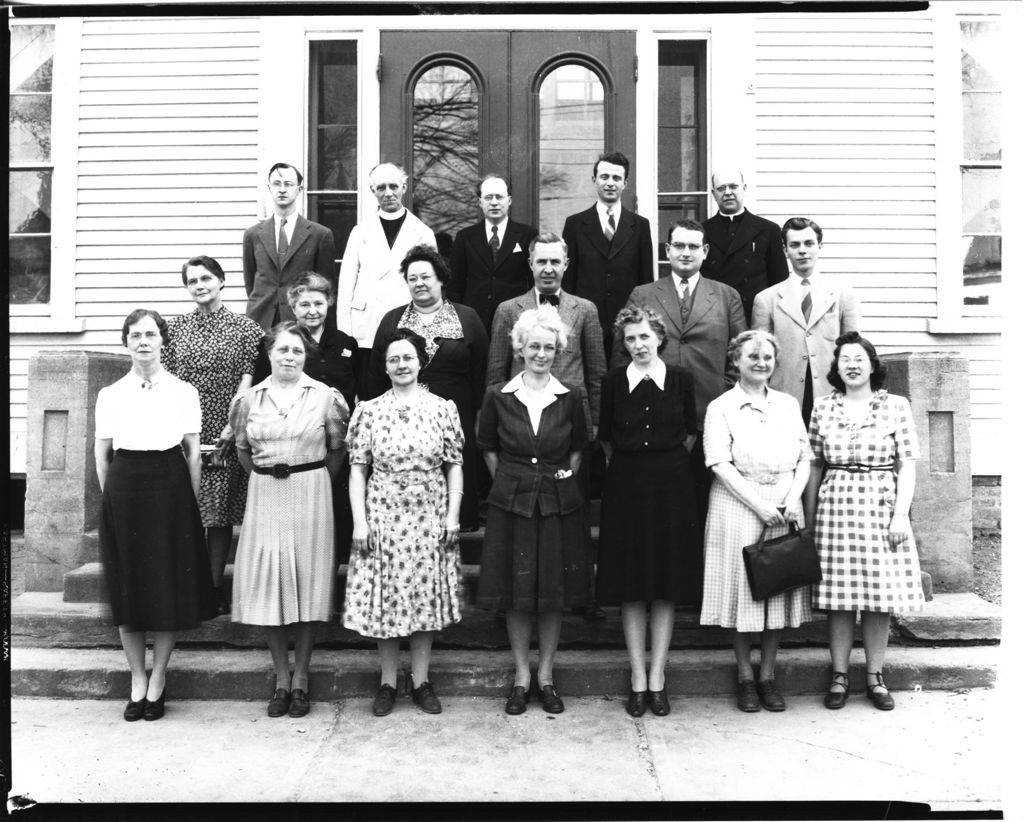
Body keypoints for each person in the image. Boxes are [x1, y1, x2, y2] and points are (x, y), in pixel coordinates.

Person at [94, 309, 219, 722]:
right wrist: (112, 501)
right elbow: (102, 455)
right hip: (126, 486)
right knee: (129, 586)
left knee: (166, 586)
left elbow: (192, 453)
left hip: (171, 488)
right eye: (135, 335)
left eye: (150, 334)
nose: (143, 341)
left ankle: (159, 678)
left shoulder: (184, 391)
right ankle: (136, 679)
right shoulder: (110, 394)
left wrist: (189, 504)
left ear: (163, 340)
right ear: (126, 342)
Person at [228, 322, 350, 719]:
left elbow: (336, 450)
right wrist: (269, 477)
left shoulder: (326, 398)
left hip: (312, 493)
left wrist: (311, 480)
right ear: (269, 353)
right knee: (270, 582)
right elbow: (244, 452)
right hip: (266, 494)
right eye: (282, 350)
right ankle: (280, 677)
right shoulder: (249, 400)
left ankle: (302, 676)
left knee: (308, 581)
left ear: (305, 355)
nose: (289, 357)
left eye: (297, 351)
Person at [477, 305, 592, 715]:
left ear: (558, 351)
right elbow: (489, 448)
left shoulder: (570, 397)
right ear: (520, 348)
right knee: (517, 591)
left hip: (558, 505)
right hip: (513, 504)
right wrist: (514, 481)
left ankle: (546, 675)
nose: (541, 353)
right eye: (533, 346)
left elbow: (577, 449)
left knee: (552, 593)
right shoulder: (499, 396)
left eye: (549, 347)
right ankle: (521, 676)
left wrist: (552, 480)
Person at [344, 330, 464, 716]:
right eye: (394, 359)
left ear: (421, 361)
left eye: (408, 358)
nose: (401, 365)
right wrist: (360, 521)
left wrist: (453, 516)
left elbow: (454, 466)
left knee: (424, 595)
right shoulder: (369, 410)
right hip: (384, 513)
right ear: (384, 365)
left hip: (429, 512)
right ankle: (387, 682)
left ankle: (422, 680)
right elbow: (357, 471)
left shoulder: (443, 408)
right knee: (388, 596)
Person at [805, 332, 926, 711]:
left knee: (879, 598)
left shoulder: (896, 406)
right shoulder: (824, 407)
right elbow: (813, 464)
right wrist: (809, 521)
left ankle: (875, 676)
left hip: (880, 505)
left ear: (873, 365)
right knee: (839, 599)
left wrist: (900, 515)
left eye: (859, 358)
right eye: (845, 359)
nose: (852, 365)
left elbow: (907, 463)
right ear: (837, 367)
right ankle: (839, 675)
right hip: (836, 506)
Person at [595, 306, 701, 718]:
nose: (638, 345)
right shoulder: (612, 382)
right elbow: (605, 439)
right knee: (632, 583)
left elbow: (690, 433)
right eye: (630, 339)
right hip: (626, 486)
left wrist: (663, 462)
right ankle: (637, 678)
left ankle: (658, 677)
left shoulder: (680, 380)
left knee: (664, 582)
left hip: (671, 485)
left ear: (659, 338)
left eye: (645, 337)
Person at [699, 329, 812, 713]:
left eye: (767, 357)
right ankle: (745, 675)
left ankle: (768, 675)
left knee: (776, 587)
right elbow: (718, 463)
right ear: (736, 362)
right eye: (752, 357)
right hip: (738, 504)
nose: (760, 363)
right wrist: (758, 505)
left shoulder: (787, 404)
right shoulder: (722, 407)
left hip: (784, 501)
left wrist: (793, 498)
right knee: (742, 589)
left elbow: (804, 457)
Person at [613, 219, 746, 526]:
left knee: (705, 500)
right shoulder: (643, 294)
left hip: (709, 410)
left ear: (705, 251)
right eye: (679, 246)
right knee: (660, 504)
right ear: (668, 250)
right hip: (655, 415)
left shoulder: (726, 296)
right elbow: (623, 353)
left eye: (693, 246)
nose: (686, 253)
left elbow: (739, 354)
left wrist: (722, 391)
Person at [163, 256, 265, 614]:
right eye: (192, 281)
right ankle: (187, 585)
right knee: (189, 509)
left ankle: (212, 585)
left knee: (219, 512)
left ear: (222, 281)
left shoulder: (246, 329)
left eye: (206, 278)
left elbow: (248, 379)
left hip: (225, 430)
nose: (200, 285)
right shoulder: (175, 330)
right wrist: (179, 428)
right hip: (185, 431)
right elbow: (169, 381)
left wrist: (232, 424)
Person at [366, 246, 488, 531]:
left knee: (455, 466)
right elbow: (375, 373)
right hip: (402, 412)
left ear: (441, 279)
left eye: (426, 277)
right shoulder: (391, 320)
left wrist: (481, 412)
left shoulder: (467, 318)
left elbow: (482, 370)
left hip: (457, 410)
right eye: (412, 278)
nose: (419, 283)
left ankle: (460, 521)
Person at [253, 272, 361, 561]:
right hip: (297, 444)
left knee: (338, 511)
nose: (312, 310)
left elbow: (361, 393)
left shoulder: (346, 343)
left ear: (329, 303)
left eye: (318, 303)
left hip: (340, 445)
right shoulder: (279, 345)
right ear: (293, 307)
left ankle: (331, 582)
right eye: (304, 304)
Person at [336, 162, 436, 395]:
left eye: (393, 186)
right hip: (365, 328)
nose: (388, 193)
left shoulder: (422, 233)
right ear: (373, 191)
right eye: (381, 187)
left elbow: (430, 290)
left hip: (406, 326)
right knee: (368, 394)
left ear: (404, 187)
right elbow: (346, 286)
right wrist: (346, 334)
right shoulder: (360, 232)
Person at [752, 217, 860, 424]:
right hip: (783, 396)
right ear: (785, 250)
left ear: (819, 246)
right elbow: (760, 357)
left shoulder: (843, 295)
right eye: (795, 245)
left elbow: (854, 352)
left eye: (809, 243)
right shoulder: (767, 299)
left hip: (832, 394)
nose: (802, 250)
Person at [561, 151, 654, 354]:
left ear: (625, 183)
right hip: (586, 323)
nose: (610, 183)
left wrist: (641, 321)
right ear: (594, 180)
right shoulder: (575, 224)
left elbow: (646, 279)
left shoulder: (640, 226)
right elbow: (567, 281)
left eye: (616, 178)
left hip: (628, 324)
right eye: (604, 177)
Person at [242, 162, 338, 330]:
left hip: (301, 321)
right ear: (269, 188)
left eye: (288, 184)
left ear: (299, 190)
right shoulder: (253, 235)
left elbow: (325, 288)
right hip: (261, 319)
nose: (282, 189)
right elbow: (250, 283)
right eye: (276, 184)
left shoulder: (319, 235)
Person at [449, 174, 539, 334]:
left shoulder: (527, 235)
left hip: (517, 318)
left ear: (509, 201)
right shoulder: (465, 237)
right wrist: (458, 318)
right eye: (488, 197)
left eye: (499, 197)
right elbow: (456, 283)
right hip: (474, 319)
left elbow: (534, 280)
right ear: (480, 202)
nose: (494, 202)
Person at [700, 166, 789, 324]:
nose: (727, 193)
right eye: (721, 188)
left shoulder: (768, 229)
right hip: (715, 318)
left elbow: (780, 282)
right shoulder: (703, 231)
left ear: (744, 188)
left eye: (733, 187)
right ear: (713, 194)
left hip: (756, 317)